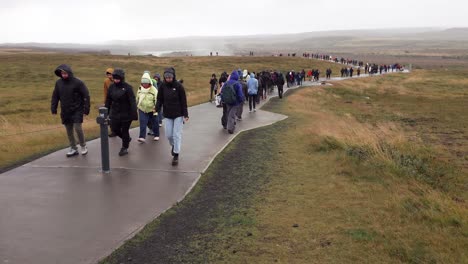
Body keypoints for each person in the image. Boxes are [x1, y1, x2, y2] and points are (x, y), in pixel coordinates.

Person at [51, 64, 90, 157]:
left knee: (77, 128)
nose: (64, 75)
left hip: (77, 109)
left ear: (69, 72)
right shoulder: (58, 83)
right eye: (62, 73)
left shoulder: (78, 82)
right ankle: (73, 148)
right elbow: (55, 96)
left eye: (65, 73)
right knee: (69, 130)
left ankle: (83, 146)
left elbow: (86, 95)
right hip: (65, 110)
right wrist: (53, 107)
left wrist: (86, 109)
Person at [156, 67, 189, 166]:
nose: (168, 79)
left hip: (178, 114)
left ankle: (176, 155)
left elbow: (183, 101)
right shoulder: (162, 86)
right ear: (164, 77)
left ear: (173, 77)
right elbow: (159, 99)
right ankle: (174, 146)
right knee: (169, 135)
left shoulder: (179, 86)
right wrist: (156, 108)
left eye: (170, 77)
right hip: (168, 114)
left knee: (176, 134)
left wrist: (185, 114)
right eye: (166, 77)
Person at [105, 68, 138, 156]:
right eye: (114, 78)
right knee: (115, 129)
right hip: (115, 112)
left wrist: (134, 113)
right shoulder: (111, 87)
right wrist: (106, 111)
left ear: (122, 78)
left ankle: (125, 147)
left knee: (124, 130)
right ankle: (126, 139)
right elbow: (108, 100)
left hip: (126, 114)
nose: (116, 80)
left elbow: (132, 101)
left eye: (118, 78)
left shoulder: (128, 88)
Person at [136, 72, 159, 142]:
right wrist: (136, 105)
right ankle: (142, 137)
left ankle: (156, 135)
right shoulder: (140, 89)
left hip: (152, 109)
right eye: (143, 83)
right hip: (142, 109)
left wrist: (156, 108)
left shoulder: (154, 90)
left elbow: (157, 99)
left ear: (149, 82)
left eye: (146, 83)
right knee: (143, 122)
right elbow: (137, 97)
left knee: (154, 123)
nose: (144, 85)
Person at [103, 68, 118, 137]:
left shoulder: (117, 80)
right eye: (108, 75)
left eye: (110, 74)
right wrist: (105, 102)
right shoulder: (106, 81)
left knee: (118, 117)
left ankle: (119, 129)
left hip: (118, 102)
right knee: (110, 116)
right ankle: (113, 131)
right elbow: (105, 92)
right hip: (110, 102)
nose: (109, 76)